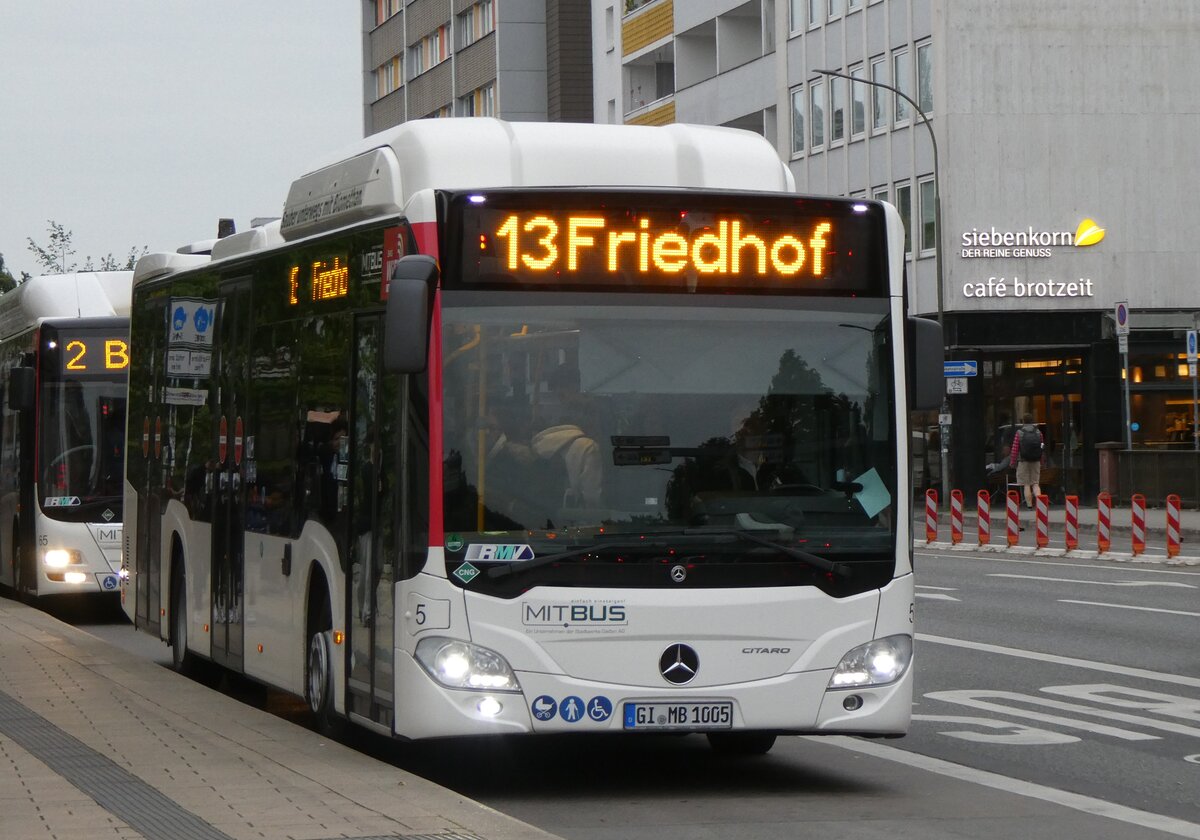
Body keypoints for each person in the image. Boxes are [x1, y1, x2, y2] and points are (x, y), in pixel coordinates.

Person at [1009, 413, 1044, 510]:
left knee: (1026, 485)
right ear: (1032, 421)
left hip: (1023, 461)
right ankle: (1040, 504)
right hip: (1036, 461)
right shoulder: (1038, 433)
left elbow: (1015, 449)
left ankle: (1029, 506)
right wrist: (1041, 460)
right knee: (1035, 483)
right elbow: (1042, 447)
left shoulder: (1019, 433)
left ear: (1023, 421)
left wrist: (1012, 462)